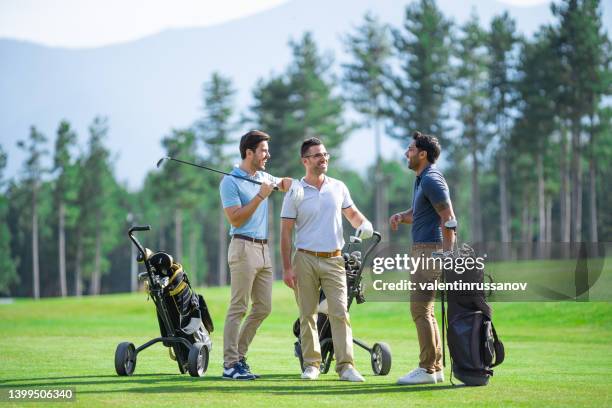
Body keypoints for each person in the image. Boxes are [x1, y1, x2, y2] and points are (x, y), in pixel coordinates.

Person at [280, 137, 374, 382]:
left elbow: (352, 214)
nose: (323, 159)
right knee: (308, 313)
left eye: (325, 154)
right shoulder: (295, 192)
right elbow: (286, 232)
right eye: (317, 155)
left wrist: (363, 224)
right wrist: (287, 267)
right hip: (305, 259)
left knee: (340, 311)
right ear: (305, 161)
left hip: (334, 259)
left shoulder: (338, 186)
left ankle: (346, 367)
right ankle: (311, 364)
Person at [219, 129, 303, 380]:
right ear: (249, 152)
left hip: (264, 250)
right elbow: (234, 217)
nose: (268, 154)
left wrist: (295, 185)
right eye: (263, 150)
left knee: (264, 307)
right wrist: (260, 196)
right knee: (238, 307)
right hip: (243, 246)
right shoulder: (230, 182)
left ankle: (239, 356)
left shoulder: (264, 176)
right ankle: (229, 364)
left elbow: (283, 182)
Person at [389, 131, 456, 385]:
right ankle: (435, 367)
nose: (407, 153)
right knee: (425, 310)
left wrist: (448, 255)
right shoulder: (421, 179)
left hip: (430, 250)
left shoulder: (431, 179)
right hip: (424, 248)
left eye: (410, 149)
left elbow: (448, 217)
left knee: (419, 309)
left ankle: (426, 369)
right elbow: (421, 213)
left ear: (422, 154)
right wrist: (401, 216)